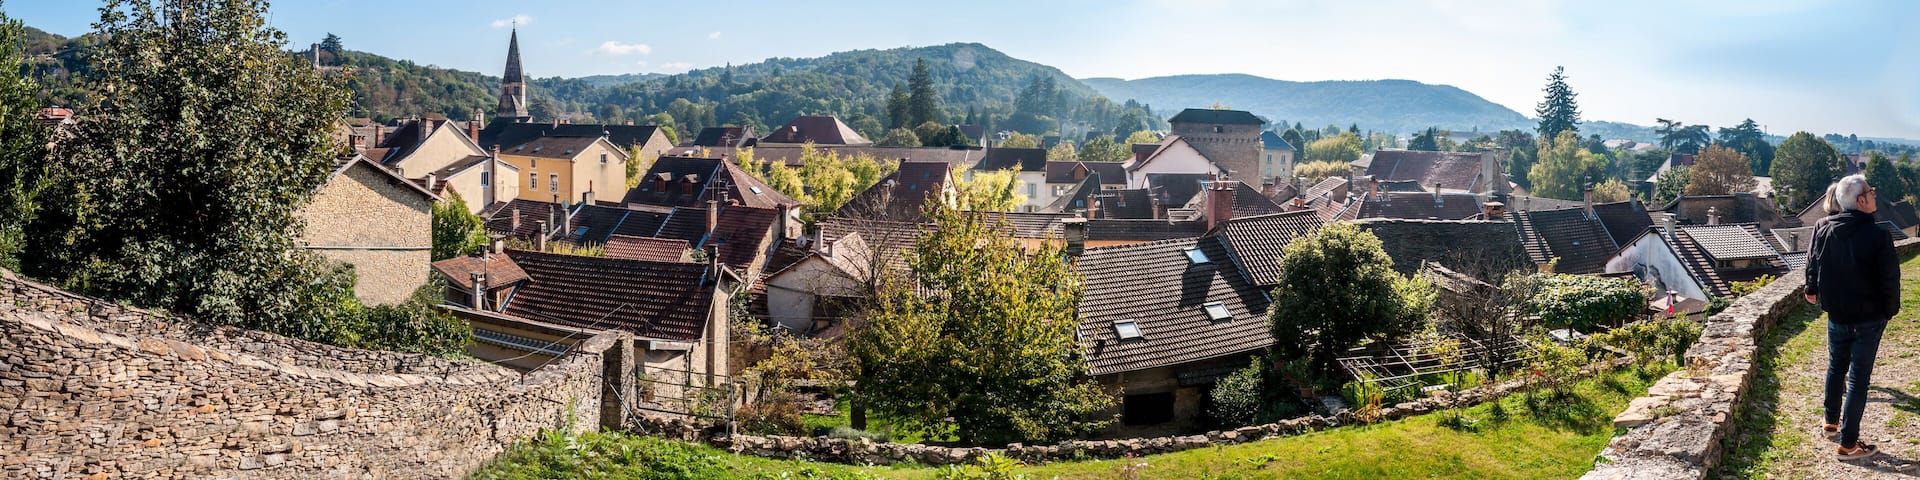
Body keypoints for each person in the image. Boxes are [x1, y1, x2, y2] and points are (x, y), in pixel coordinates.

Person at [1806, 174, 1900, 461]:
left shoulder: (1824, 229)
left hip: (1837, 314)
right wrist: (1889, 310)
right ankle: (1848, 444)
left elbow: (1813, 263)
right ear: (1861, 201)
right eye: (1871, 192)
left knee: (1836, 368)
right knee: (1858, 380)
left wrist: (1816, 293)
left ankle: (1830, 422)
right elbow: (1889, 279)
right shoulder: (1879, 235)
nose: (1874, 195)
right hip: (1869, 318)